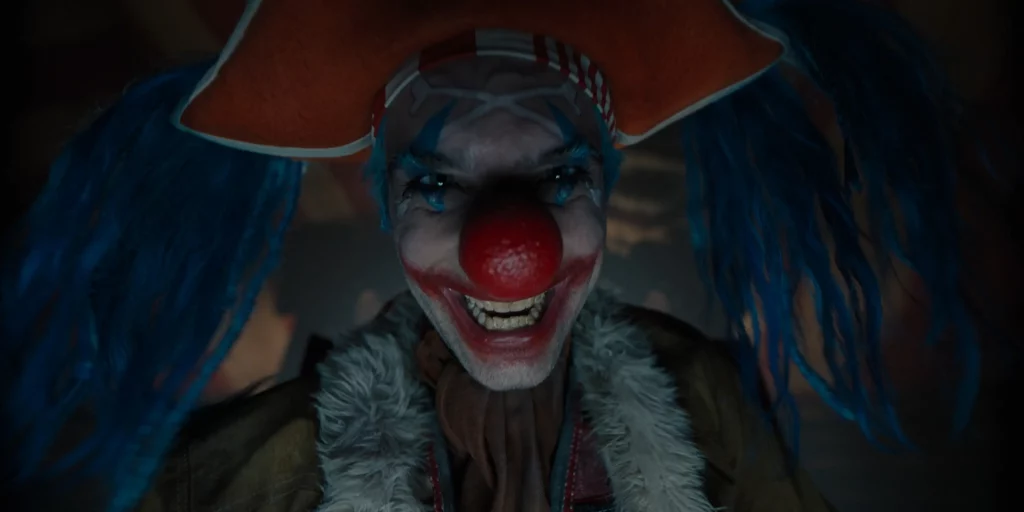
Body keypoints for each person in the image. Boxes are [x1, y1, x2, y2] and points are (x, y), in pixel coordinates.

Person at [2, 0, 981, 510]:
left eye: (558, 178)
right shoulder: (224, 485)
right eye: (437, 185)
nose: (508, 249)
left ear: (603, 197)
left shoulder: (712, 409)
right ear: (388, 213)